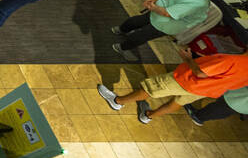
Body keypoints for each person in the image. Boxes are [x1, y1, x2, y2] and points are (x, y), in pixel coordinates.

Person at [98, 46, 248, 124]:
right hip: (207, 91)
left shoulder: (232, 60)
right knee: (178, 102)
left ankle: (117, 102)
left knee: (151, 89)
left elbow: (201, 73)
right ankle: (148, 116)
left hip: (188, 80)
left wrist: (189, 59)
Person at [112, 0, 235, 58]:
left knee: (140, 20)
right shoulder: (199, 3)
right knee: (144, 35)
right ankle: (121, 47)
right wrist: (153, 7)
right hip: (166, 22)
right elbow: (167, 13)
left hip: (161, 6)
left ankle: (119, 29)